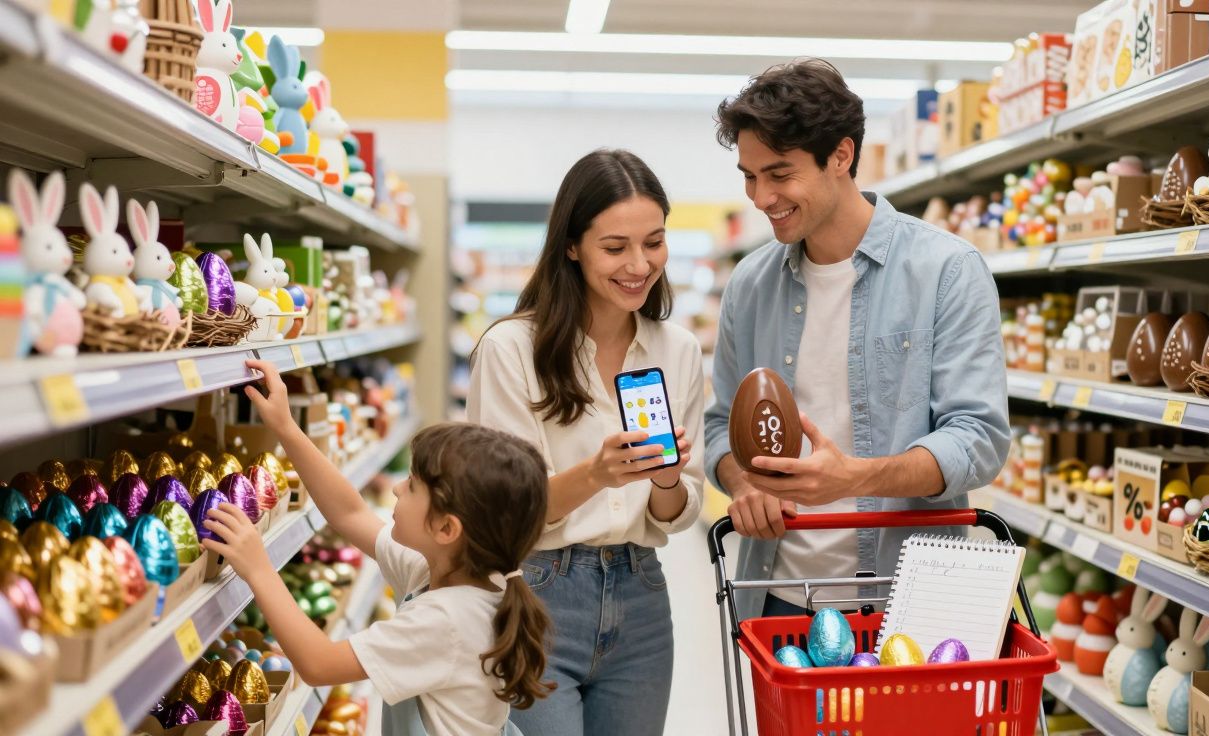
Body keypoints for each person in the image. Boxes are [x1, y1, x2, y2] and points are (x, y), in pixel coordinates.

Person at [705, 59, 1010, 618]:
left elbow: (978, 439)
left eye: (779, 174)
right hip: (776, 599)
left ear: (841, 157)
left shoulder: (947, 271)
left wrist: (855, 478)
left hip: (906, 602)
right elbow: (718, 426)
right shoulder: (749, 285)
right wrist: (741, 482)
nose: (760, 197)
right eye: (750, 176)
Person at [467, 149, 705, 735]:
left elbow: (676, 517)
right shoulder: (510, 350)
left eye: (654, 242)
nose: (639, 264)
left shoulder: (677, 351)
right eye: (615, 246)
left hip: (642, 594)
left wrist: (668, 480)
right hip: (537, 595)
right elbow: (503, 515)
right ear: (571, 245)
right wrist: (595, 475)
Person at [203, 359, 552, 736]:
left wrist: (259, 569)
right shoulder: (452, 573)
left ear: (446, 528)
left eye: (413, 486)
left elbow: (319, 664)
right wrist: (286, 427)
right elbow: (349, 512)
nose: (397, 488)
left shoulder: (446, 621)